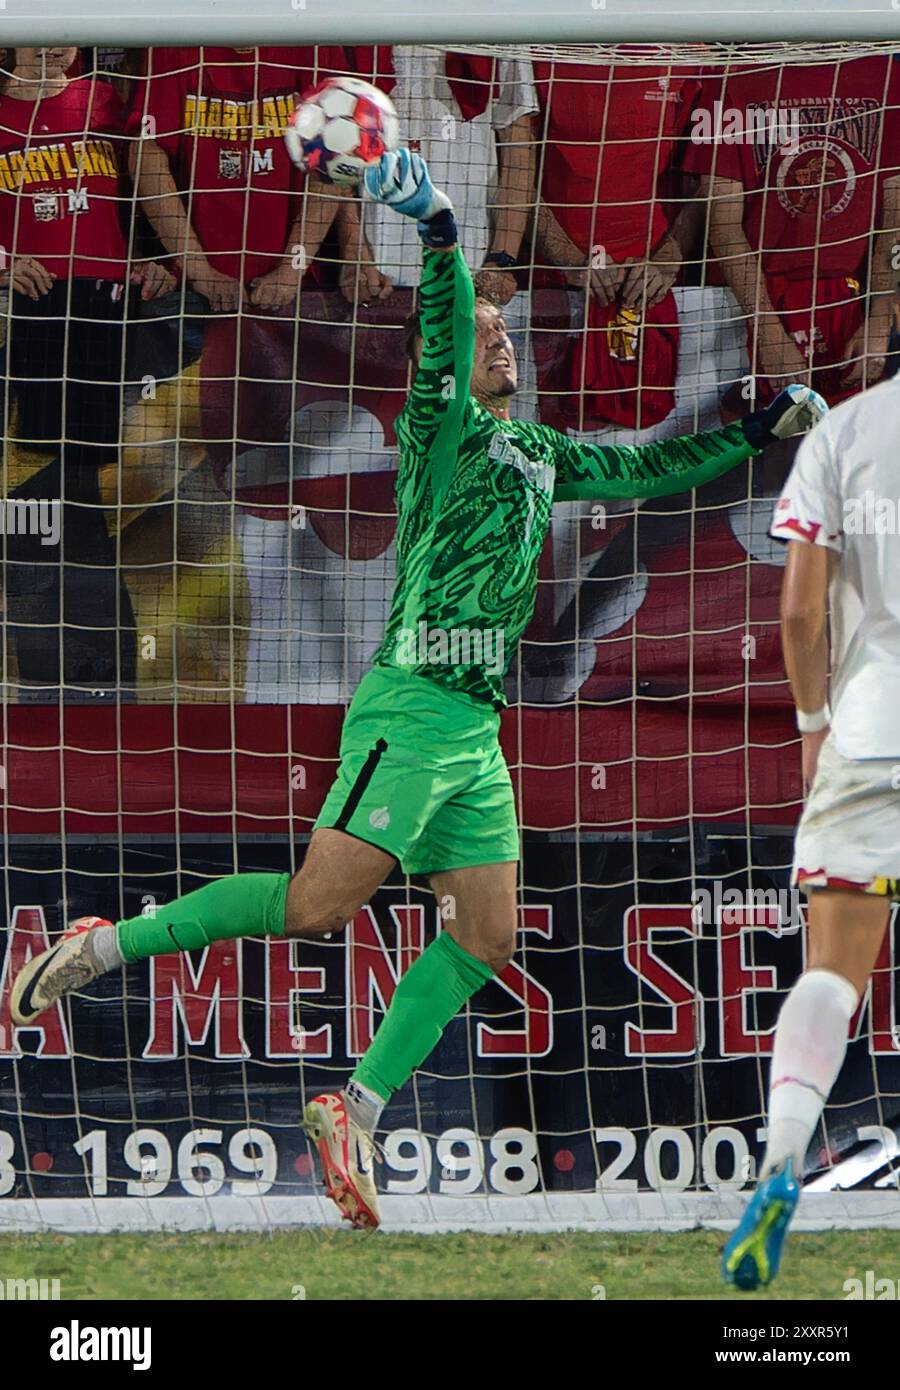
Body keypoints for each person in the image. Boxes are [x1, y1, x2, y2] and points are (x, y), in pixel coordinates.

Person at [10, 151, 827, 1231]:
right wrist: (440, 231)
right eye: (490, 336)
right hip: (412, 706)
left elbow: (643, 473)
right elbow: (445, 325)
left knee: (486, 934)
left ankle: (352, 1105)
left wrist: (756, 433)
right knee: (316, 907)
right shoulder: (441, 434)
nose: (503, 341)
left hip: (474, 728)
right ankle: (102, 946)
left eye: (504, 335)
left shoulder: (536, 450)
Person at [722, 369, 900, 1290]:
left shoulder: (844, 434)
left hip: (872, 728)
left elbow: (798, 610)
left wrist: (811, 725)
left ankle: (782, 1163)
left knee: (832, 973)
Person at [0, 44, 174, 696]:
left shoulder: (107, 102)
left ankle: (112, 678)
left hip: (114, 329)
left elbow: (150, 191)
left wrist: (160, 259)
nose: (53, 44)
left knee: (103, 501)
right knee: (36, 499)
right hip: (29, 329)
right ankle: (46, 679)